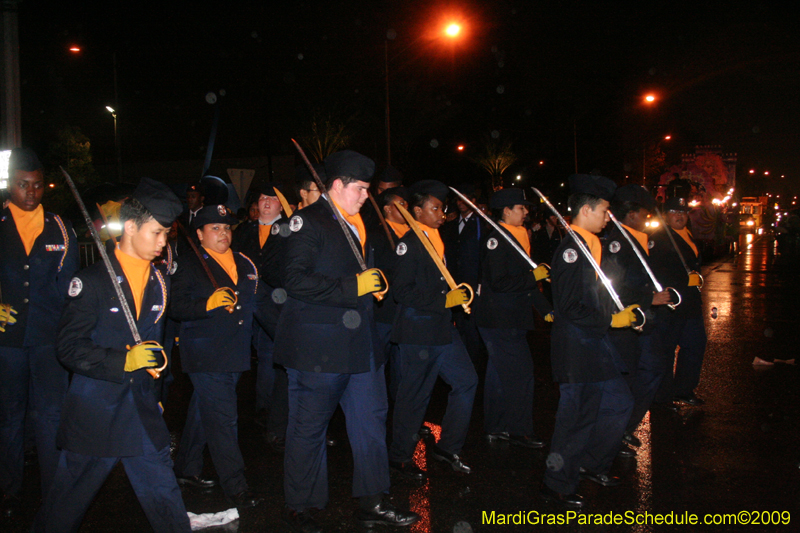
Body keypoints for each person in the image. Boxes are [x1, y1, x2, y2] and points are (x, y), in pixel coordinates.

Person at [273, 150, 418, 532]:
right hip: (318, 346)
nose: (365, 196)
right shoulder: (309, 221)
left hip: (362, 344)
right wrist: (354, 286)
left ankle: (372, 500)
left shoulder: (357, 220)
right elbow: (296, 280)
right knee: (310, 427)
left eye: (368, 189)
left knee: (371, 421)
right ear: (336, 185)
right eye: (359, 188)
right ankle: (301, 505)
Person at [38, 178, 191, 532]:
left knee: (165, 498)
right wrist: (122, 361)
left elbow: (155, 344)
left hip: (140, 412)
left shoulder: (160, 282)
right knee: (63, 507)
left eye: (166, 234)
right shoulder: (91, 282)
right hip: (97, 415)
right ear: (132, 227)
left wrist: (157, 387)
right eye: (156, 233)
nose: (162, 242)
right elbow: (68, 347)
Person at [541, 174, 639, 509]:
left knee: (619, 403)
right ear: (586, 209)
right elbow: (568, 307)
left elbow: (595, 293)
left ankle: (590, 463)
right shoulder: (571, 249)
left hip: (594, 343)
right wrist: (612, 320)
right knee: (575, 418)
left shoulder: (589, 243)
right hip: (576, 347)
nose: (607, 217)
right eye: (604, 211)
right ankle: (556, 484)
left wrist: (622, 310)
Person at [0, 148, 79, 518]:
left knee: (50, 417)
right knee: (9, 416)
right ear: (9, 184)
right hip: (7, 341)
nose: (30, 193)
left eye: (36, 186)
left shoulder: (60, 227)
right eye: (22, 185)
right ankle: (9, 491)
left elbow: (72, 288)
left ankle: (55, 493)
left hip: (49, 340)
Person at [169, 204, 262, 507]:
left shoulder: (244, 263)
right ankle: (235, 485)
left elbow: (258, 306)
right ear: (199, 234)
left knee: (203, 410)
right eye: (215, 228)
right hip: (205, 354)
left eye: (226, 227)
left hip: (235, 352)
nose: (223, 233)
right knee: (223, 419)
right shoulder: (190, 263)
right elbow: (176, 306)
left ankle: (185, 467)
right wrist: (206, 304)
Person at [389, 180, 478, 481]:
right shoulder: (410, 242)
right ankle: (400, 456)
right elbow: (402, 291)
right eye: (435, 208)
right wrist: (444, 300)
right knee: (414, 396)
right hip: (418, 332)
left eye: (443, 208)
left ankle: (448, 446)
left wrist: (458, 294)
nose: (442, 213)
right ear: (417, 211)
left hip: (442, 329)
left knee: (466, 381)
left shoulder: (436, 238)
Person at [476, 188, 552, 449]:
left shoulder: (517, 235)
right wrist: (534, 276)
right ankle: (520, 430)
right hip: (500, 319)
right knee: (521, 374)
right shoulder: (496, 239)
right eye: (521, 208)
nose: (526, 212)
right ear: (506, 211)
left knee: (499, 374)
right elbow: (500, 282)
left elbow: (527, 283)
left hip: (509, 317)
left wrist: (545, 309)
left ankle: (495, 427)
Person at [602, 185, 673, 455]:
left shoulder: (637, 238)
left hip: (643, 321)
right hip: (628, 321)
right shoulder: (619, 242)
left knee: (652, 370)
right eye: (643, 214)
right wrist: (648, 300)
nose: (646, 219)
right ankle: (616, 433)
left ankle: (625, 426)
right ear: (631, 215)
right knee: (630, 377)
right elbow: (612, 288)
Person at [232, 182, 288, 439]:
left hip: (278, 302)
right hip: (248, 301)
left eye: (272, 198)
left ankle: (270, 408)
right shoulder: (245, 230)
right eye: (263, 197)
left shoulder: (290, 229)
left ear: (280, 204)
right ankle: (255, 406)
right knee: (252, 353)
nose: (266, 201)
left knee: (272, 354)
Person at [650, 197, 707, 407]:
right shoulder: (659, 238)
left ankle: (683, 389)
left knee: (695, 345)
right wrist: (685, 280)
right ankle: (662, 397)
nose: (680, 215)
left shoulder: (687, 234)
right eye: (674, 211)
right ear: (665, 215)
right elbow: (656, 273)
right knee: (666, 351)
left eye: (683, 212)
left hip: (691, 303)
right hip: (672, 305)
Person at [368, 186, 409, 400]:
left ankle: (403, 412)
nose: (405, 208)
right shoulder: (377, 235)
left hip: (404, 311)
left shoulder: (413, 234)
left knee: (403, 366)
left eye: (406, 204)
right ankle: (377, 407)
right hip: (384, 311)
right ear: (386, 209)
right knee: (378, 363)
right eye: (400, 204)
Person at [441, 183, 486, 367]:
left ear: (473, 201)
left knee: (472, 328)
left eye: (464, 199)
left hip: (473, 284)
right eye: (458, 199)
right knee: (458, 325)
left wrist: (480, 283)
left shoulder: (481, 225)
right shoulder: (450, 226)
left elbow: (483, 256)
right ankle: (460, 363)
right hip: (454, 283)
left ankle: (473, 364)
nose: (461, 203)